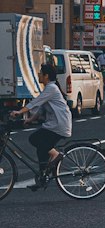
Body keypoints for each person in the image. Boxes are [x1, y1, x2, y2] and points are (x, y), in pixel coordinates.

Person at [14, 61, 73, 191]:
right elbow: (42, 108)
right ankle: (42, 177)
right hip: (55, 124)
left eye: (41, 73)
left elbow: (36, 102)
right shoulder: (49, 88)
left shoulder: (51, 88)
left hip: (59, 124)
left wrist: (20, 112)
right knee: (41, 148)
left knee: (34, 139)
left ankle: (57, 155)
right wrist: (30, 119)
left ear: (46, 76)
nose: (39, 75)